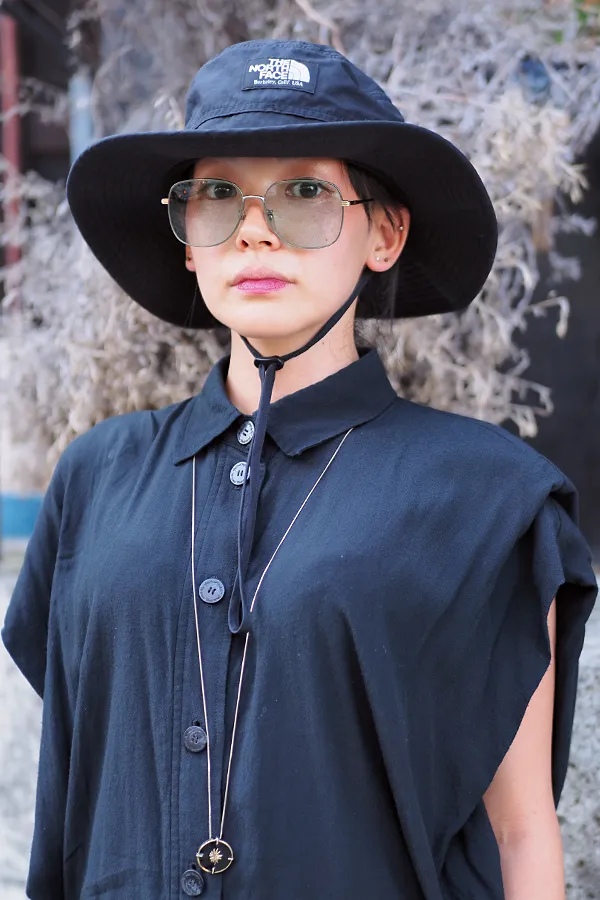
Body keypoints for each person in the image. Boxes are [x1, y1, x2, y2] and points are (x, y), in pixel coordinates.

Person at [2, 38, 597, 900]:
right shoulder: (98, 479)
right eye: (217, 197)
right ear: (187, 241)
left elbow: (521, 830)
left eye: (306, 194)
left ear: (384, 233)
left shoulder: (488, 500)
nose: (254, 228)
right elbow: (77, 787)